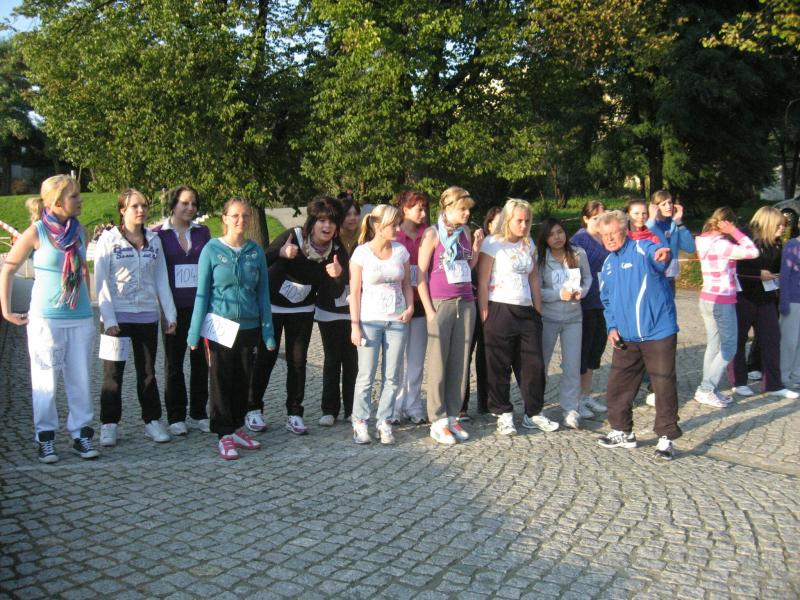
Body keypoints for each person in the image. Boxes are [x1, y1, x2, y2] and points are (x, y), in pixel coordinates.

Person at [0, 175, 99, 463]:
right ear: (57, 202)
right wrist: (6, 310)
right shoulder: (37, 232)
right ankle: (45, 437)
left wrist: (87, 302)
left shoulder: (80, 231)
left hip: (80, 318)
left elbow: (82, 270)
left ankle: (81, 435)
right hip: (47, 319)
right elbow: (8, 268)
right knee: (45, 380)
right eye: (74, 196)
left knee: (80, 380)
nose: (80, 200)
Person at [187, 198, 276, 460]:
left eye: (245, 216)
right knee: (221, 380)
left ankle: (236, 427)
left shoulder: (255, 251)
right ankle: (223, 433)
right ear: (224, 218)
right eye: (235, 215)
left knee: (243, 380)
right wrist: (194, 332)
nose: (241, 220)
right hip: (220, 327)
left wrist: (268, 332)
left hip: (249, 326)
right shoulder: (211, 250)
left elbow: (263, 294)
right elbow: (202, 293)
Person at [252, 197, 348, 435]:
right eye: (321, 220)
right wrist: (281, 252)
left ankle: (295, 413)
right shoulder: (293, 236)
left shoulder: (336, 251)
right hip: (273, 307)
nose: (327, 226)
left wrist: (338, 275)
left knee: (298, 362)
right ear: (312, 222)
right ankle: (253, 408)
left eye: (332, 221)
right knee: (266, 357)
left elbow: (336, 292)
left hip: (302, 310)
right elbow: (262, 260)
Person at [595, 210, 680, 460]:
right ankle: (622, 431)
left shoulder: (643, 248)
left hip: (657, 330)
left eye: (613, 233)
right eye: (604, 235)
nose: (609, 239)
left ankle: (666, 438)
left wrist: (663, 254)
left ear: (625, 231)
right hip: (626, 336)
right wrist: (611, 327)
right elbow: (606, 299)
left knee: (663, 384)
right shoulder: (608, 264)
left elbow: (659, 257)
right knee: (618, 385)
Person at [94, 189, 177, 446]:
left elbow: (161, 278)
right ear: (122, 210)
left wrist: (169, 314)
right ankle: (109, 423)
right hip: (117, 317)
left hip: (146, 316)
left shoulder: (154, 240)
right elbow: (101, 281)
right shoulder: (109, 239)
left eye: (144, 205)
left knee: (147, 372)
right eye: (135, 206)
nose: (141, 210)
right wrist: (108, 319)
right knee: (113, 374)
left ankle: (152, 420)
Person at [477, 199, 558, 436]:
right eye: (519, 221)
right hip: (499, 307)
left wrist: (538, 309)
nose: (523, 225)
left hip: (526, 310)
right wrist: (484, 311)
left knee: (533, 364)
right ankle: (503, 413)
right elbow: (483, 280)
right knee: (499, 364)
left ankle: (534, 412)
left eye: (527, 221)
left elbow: (533, 277)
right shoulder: (492, 243)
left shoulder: (528, 243)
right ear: (508, 219)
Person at [417, 186, 482, 444]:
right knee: (438, 362)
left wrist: (476, 247)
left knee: (460, 361)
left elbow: (469, 265)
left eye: (468, 209)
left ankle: (453, 414)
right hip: (441, 302)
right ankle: (438, 419)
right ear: (448, 207)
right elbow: (421, 274)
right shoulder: (432, 234)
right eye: (462, 209)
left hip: (466, 302)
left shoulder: (465, 232)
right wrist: (429, 311)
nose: (467, 214)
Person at [349, 204, 414, 444]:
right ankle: (360, 421)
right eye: (393, 225)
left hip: (397, 320)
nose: (398, 229)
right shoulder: (361, 253)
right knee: (366, 375)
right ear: (378, 225)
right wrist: (355, 325)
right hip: (369, 321)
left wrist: (410, 307)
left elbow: (406, 284)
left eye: (398, 224)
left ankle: (384, 421)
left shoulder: (401, 251)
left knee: (392, 376)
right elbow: (355, 292)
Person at [152, 185, 212, 436]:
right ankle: (176, 415)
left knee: (200, 362)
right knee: (174, 362)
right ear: (173, 204)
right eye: (185, 203)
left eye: (194, 203)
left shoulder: (203, 232)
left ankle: (199, 412)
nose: (190, 208)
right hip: (172, 308)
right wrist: (165, 309)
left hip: (199, 307)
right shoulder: (158, 235)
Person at [728, 207, 798, 399]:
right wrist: (757, 274)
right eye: (779, 225)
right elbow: (732, 266)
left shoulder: (775, 242)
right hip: (742, 297)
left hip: (766, 297)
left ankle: (773, 384)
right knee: (738, 339)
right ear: (768, 223)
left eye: (784, 225)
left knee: (771, 338)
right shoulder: (743, 238)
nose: (782, 229)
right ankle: (738, 381)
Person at [694, 207, 759, 408]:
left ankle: (709, 389)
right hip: (721, 300)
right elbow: (753, 252)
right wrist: (735, 232)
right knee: (729, 347)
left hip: (707, 297)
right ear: (728, 223)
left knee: (713, 346)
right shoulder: (722, 244)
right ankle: (706, 389)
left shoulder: (703, 240)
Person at [536, 217, 592, 429]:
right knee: (541, 364)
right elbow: (536, 290)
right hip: (548, 317)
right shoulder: (540, 258)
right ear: (545, 238)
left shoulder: (578, 253)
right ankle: (536, 407)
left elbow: (587, 279)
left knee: (572, 365)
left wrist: (581, 292)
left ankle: (570, 409)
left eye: (559, 232)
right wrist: (558, 294)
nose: (557, 237)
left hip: (574, 318)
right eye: (551, 234)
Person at [315, 195, 360, 426]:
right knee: (332, 359)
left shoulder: (364, 240)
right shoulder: (331, 242)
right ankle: (329, 409)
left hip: (355, 310)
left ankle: (352, 409)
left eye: (355, 213)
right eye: (347, 214)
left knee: (352, 361)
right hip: (330, 309)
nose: (352, 218)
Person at [389, 190, 430, 425]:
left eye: (425, 209)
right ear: (404, 209)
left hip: (421, 302)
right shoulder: (393, 234)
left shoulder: (429, 234)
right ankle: (394, 407)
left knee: (416, 359)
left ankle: (413, 404)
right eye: (418, 209)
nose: (423, 213)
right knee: (395, 360)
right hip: (397, 303)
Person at [460, 206, 502, 419]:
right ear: (489, 224)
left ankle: (487, 402)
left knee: (488, 355)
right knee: (464, 354)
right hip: (471, 302)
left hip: (494, 305)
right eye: (498, 221)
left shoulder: (509, 246)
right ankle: (461, 404)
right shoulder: (477, 242)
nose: (502, 225)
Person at [570, 200, 609, 415]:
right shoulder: (579, 240)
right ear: (585, 218)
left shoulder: (607, 237)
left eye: (602, 217)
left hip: (603, 302)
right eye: (595, 218)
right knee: (582, 353)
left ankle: (586, 395)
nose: (599, 221)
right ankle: (575, 399)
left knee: (595, 352)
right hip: (585, 304)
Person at [646, 191, 696, 294]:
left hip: (670, 278)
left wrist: (679, 222)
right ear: (654, 207)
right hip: (652, 277)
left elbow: (690, 248)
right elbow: (643, 240)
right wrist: (651, 219)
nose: (668, 206)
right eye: (663, 204)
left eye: (670, 202)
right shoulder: (649, 225)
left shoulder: (674, 225)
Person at [779, 227, 800, 387]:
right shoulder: (792, 245)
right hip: (793, 299)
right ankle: (783, 375)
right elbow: (784, 275)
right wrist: (784, 301)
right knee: (789, 340)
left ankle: (796, 374)